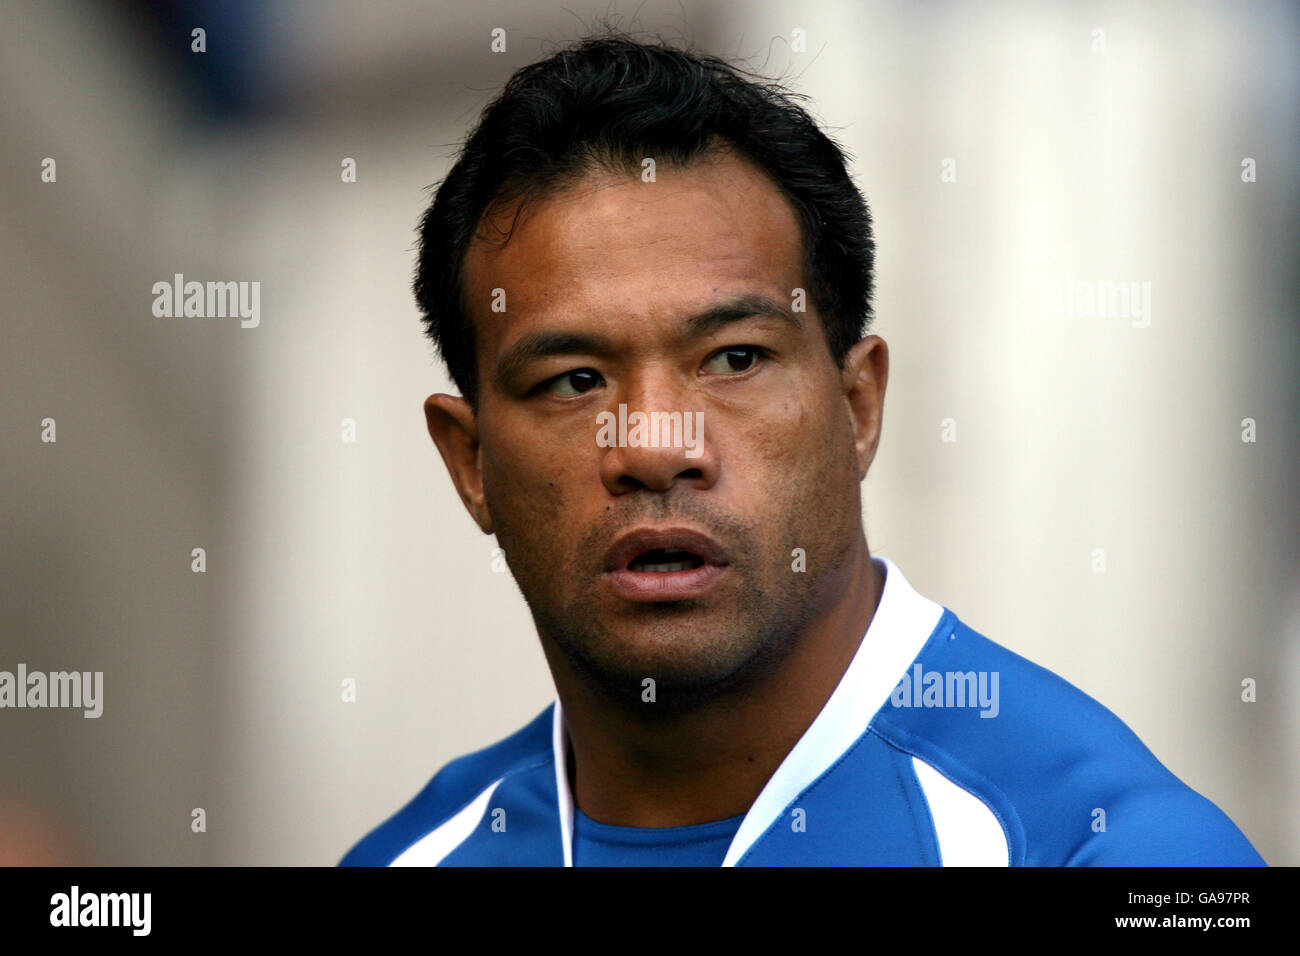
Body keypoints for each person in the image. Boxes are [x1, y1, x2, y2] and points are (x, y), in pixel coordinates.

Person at [340, 33, 1264, 866]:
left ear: (859, 405)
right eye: (575, 380)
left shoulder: (1108, 852)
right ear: (469, 463)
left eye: (734, 359)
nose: (656, 447)